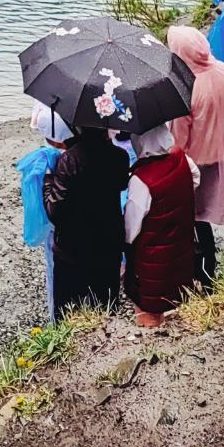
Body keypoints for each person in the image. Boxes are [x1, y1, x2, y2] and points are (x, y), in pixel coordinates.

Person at [167, 25, 224, 286]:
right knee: (203, 214)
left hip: (195, 159)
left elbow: (179, 139)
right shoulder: (223, 70)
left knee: (189, 216)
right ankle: (209, 269)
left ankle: (198, 272)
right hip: (221, 153)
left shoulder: (187, 87)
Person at [42, 124, 130, 318]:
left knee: (67, 312)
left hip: (72, 248)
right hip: (108, 244)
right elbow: (123, 183)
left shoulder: (69, 160)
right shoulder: (119, 156)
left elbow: (54, 210)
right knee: (106, 308)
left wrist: (48, 181)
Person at [124, 122, 199, 326]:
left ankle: (151, 337)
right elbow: (195, 178)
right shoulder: (180, 157)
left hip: (151, 254)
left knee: (149, 303)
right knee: (173, 291)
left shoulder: (142, 179)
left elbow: (131, 229)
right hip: (179, 243)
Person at [17, 104, 73, 320]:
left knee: (55, 274)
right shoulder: (77, 158)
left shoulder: (46, 163)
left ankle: (56, 320)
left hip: (56, 231)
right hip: (81, 229)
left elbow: (42, 209)